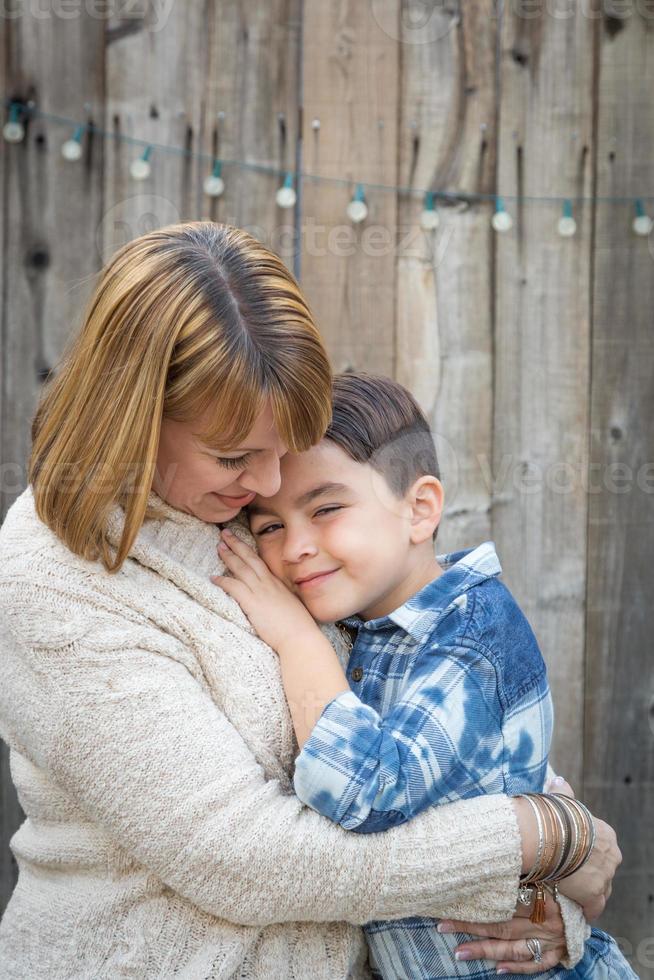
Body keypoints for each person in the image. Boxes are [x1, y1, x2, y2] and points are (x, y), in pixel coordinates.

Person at [0, 222, 620, 979]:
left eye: (281, 447)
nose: (266, 486)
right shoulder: (53, 574)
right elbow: (241, 858)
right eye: (235, 457)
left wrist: (561, 863)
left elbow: (416, 697)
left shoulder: (250, 509)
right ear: (133, 416)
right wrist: (530, 840)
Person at [214, 371, 636, 979]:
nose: (295, 546)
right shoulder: (363, 627)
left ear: (419, 509)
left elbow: (369, 791)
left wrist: (295, 638)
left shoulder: (474, 633)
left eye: (326, 508)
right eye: (270, 526)